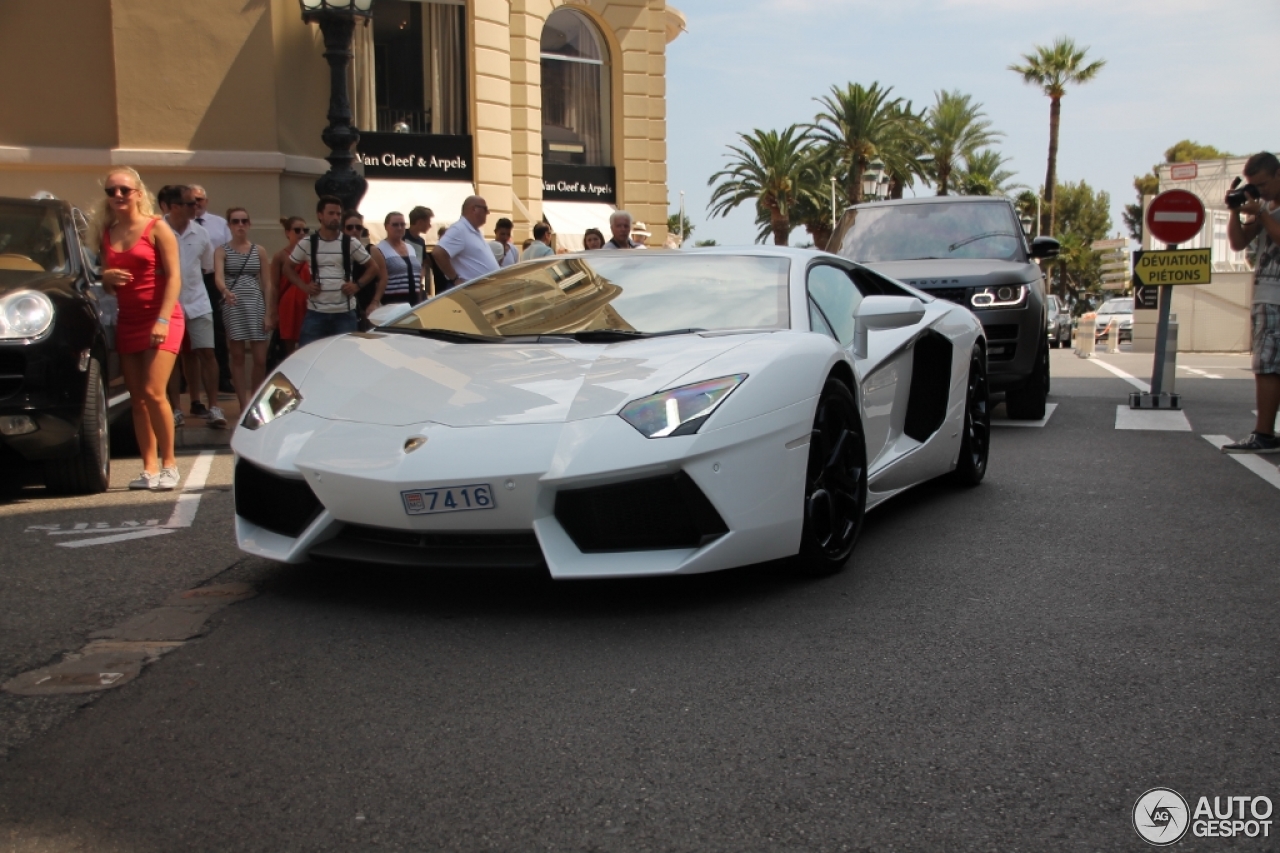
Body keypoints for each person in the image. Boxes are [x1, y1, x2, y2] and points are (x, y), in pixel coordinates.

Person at [96, 167, 185, 491]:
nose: (117, 196)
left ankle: (170, 464)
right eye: (111, 191)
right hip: (129, 320)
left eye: (123, 189)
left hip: (162, 317)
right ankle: (148, 468)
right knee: (136, 399)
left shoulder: (156, 228)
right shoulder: (106, 232)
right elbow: (106, 280)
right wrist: (105, 279)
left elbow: (175, 277)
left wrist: (162, 319)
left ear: (137, 192)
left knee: (152, 391)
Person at [1223, 151, 1280, 454]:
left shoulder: (1267, 210)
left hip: (1276, 299)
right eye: (1254, 186)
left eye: (1264, 184)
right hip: (1265, 296)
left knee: (1268, 367)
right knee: (1267, 365)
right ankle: (1267, 432)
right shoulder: (1266, 207)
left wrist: (1261, 213)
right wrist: (1234, 210)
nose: (1261, 191)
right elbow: (1237, 243)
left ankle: (1264, 433)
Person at [158, 185, 225, 429]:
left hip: (198, 301)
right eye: (190, 203)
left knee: (207, 352)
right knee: (171, 357)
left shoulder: (201, 233)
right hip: (168, 303)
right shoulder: (157, 231)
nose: (196, 207)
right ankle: (175, 409)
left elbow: (207, 266)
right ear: (174, 206)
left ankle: (214, 407)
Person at [284, 195, 376, 346]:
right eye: (331, 213)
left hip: (344, 313)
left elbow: (373, 267)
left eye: (338, 214)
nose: (335, 217)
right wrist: (304, 286)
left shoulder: (349, 242)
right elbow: (287, 268)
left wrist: (357, 285)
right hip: (316, 312)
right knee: (309, 357)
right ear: (320, 215)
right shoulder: (308, 242)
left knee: (344, 359)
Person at [215, 207, 275, 414]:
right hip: (234, 305)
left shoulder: (259, 250)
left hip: (255, 304)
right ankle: (243, 404)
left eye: (243, 221)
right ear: (229, 225)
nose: (240, 225)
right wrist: (224, 291)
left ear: (249, 224)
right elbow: (219, 277)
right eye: (235, 221)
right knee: (238, 356)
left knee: (259, 358)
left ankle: (255, 401)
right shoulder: (222, 250)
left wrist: (268, 313)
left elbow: (267, 283)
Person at [190, 184, 234, 394]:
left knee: (217, 329)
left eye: (200, 199)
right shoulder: (180, 224)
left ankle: (223, 378)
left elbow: (228, 251)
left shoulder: (219, 224)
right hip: (188, 279)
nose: (197, 203)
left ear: (206, 201)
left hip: (212, 280)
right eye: (192, 199)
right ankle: (185, 382)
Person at [432, 195, 499, 288]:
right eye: (485, 209)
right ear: (474, 209)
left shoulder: (474, 231)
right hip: (472, 291)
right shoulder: (459, 229)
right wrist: (455, 279)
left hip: (485, 291)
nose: (488, 212)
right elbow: (438, 252)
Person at [270, 216, 312, 359]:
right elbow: (274, 286)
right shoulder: (280, 256)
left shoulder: (311, 254)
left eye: (305, 230)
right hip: (288, 306)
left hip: (308, 303)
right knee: (289, 350)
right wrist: (273, 312)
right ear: (287, 232)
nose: (301, 233)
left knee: (308, 346)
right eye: (297, 230)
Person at [344, 210, 387, 327]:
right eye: (350, 227)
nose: (354, 230)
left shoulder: (371, 250)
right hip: (345, 308)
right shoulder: (339, 251)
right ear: (343, 229)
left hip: (367, 305)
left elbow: (383, 278)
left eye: (358, 227)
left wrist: (375, 302)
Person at [377, 211, 425, 306]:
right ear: (386, 226)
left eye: (402, 224)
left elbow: (416, 278)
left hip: (414, 303)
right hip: (393, 303)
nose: (399, 228)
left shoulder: (410, 248)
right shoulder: (380, 249)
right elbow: (378, 280)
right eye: (395, 225)